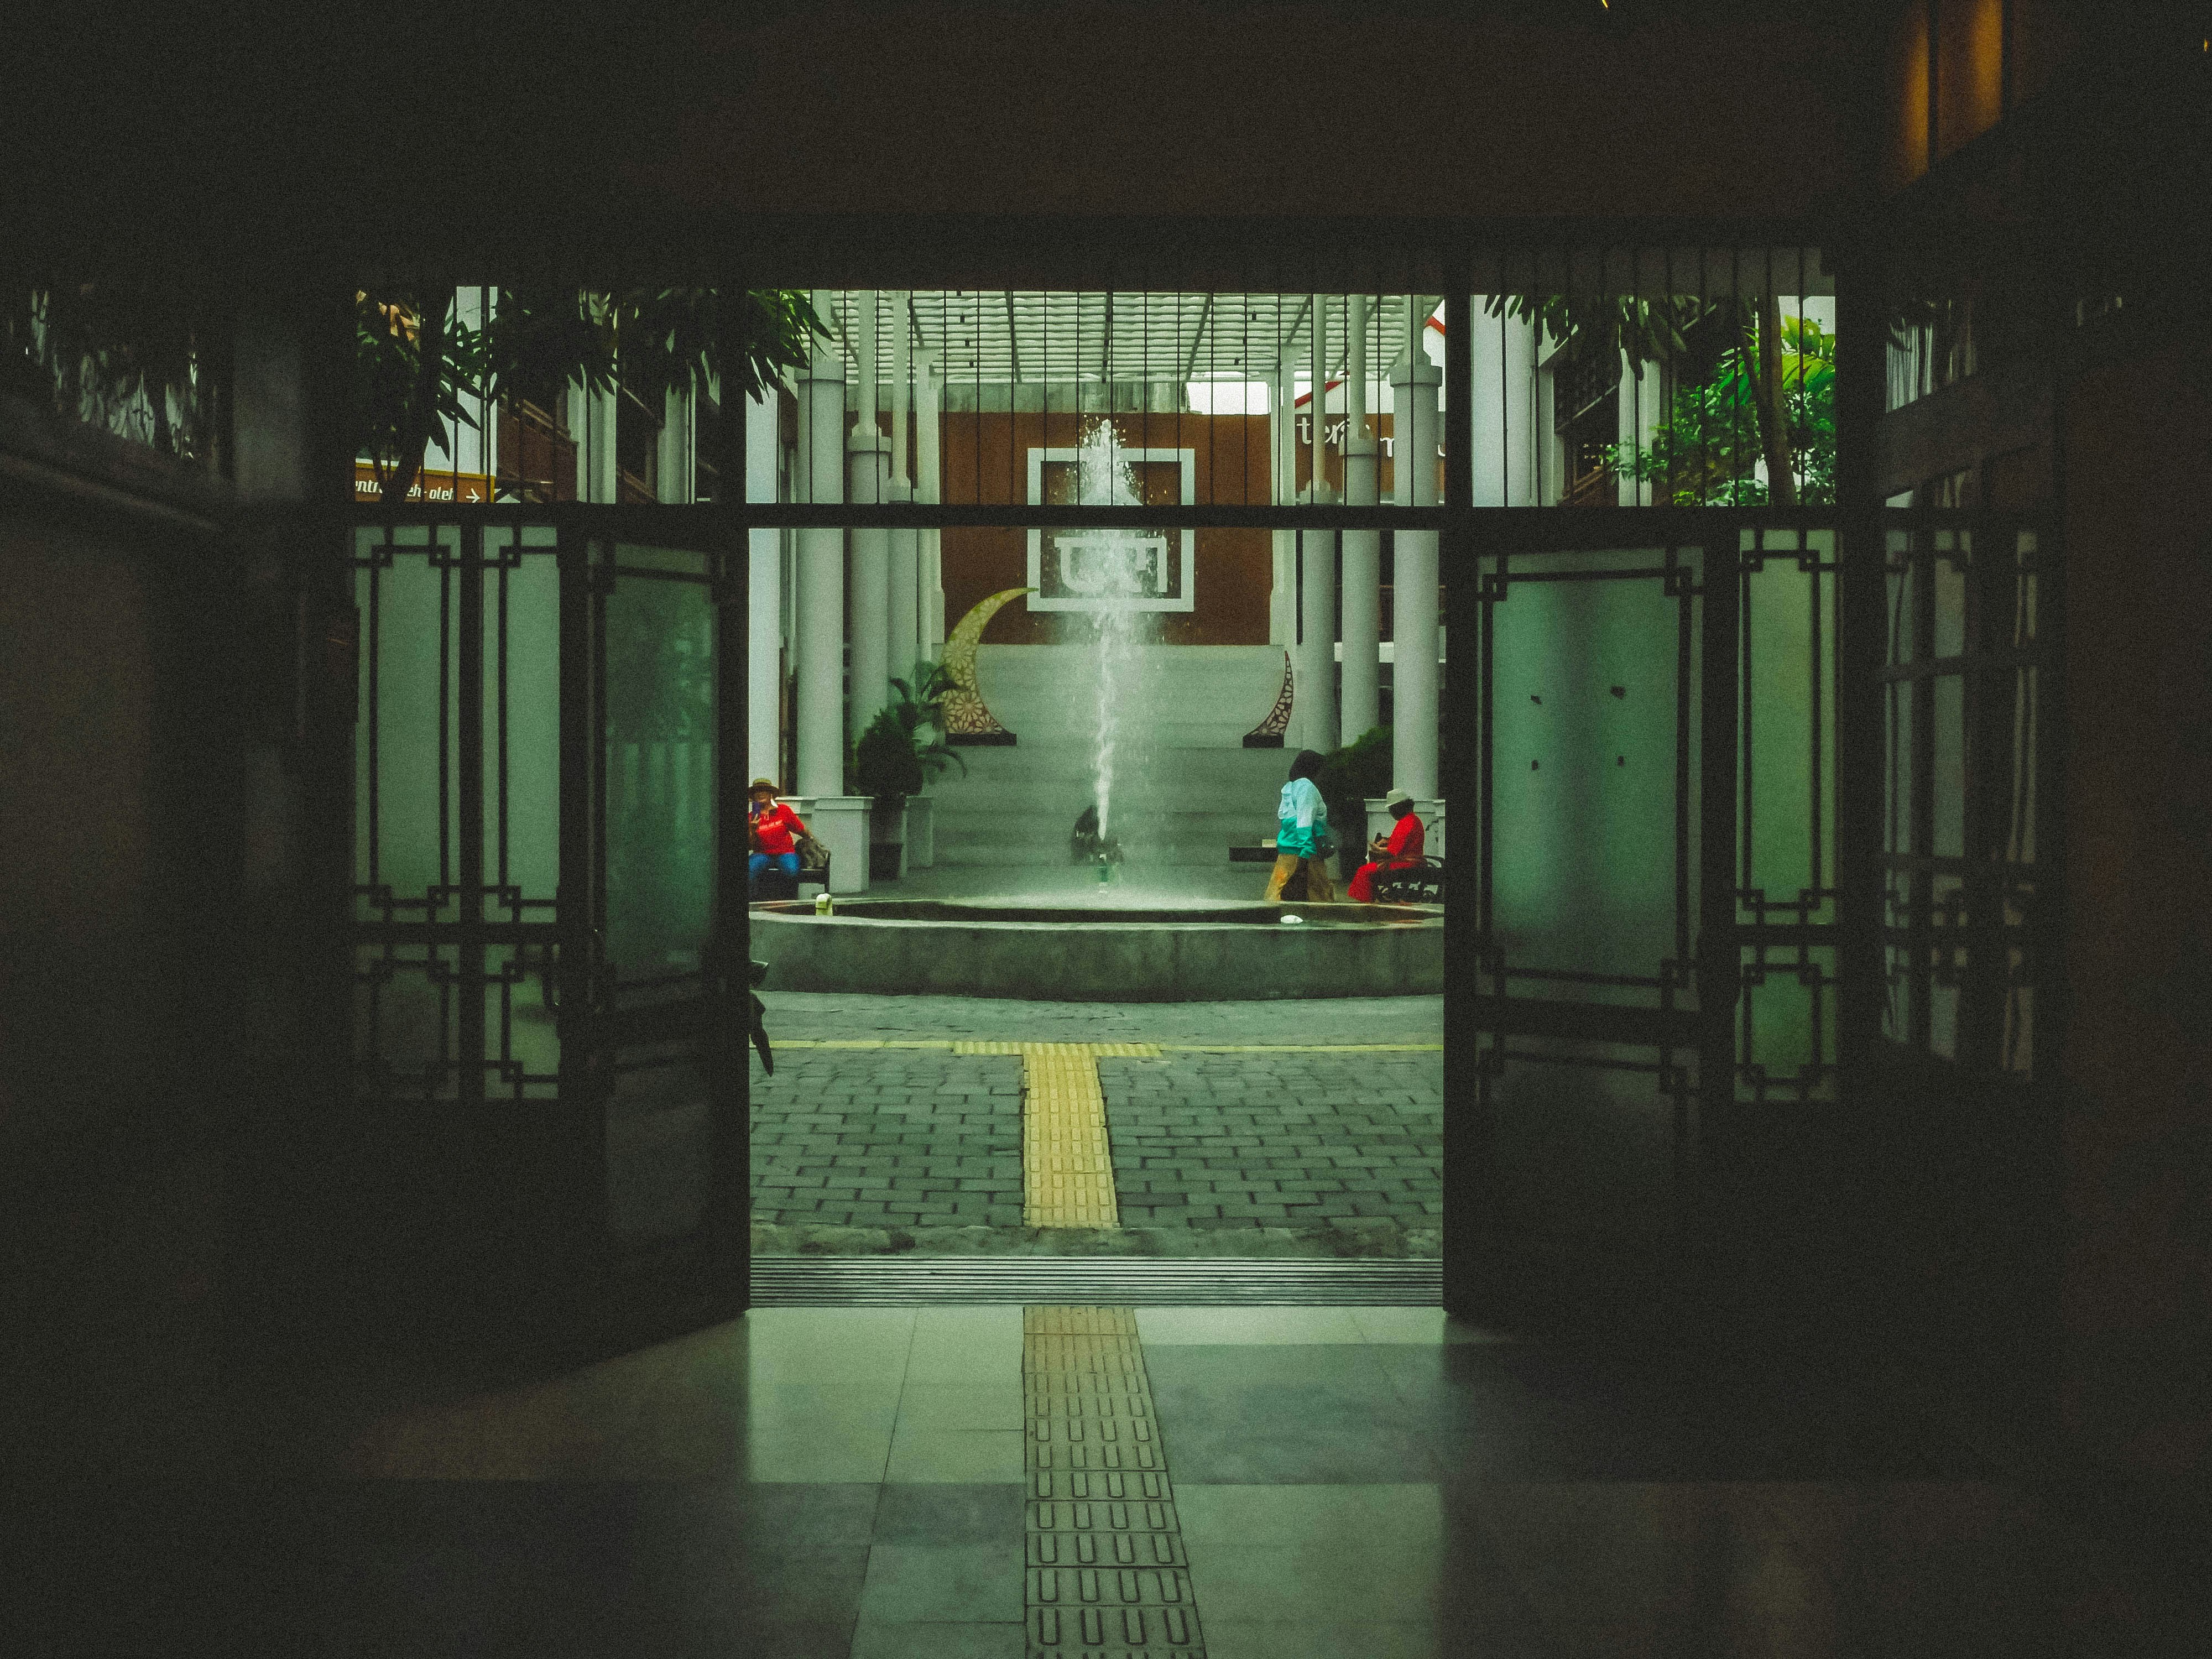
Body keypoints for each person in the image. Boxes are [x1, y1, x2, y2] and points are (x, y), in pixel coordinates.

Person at [1265, 748, 1337, 902]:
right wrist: (1307, 851)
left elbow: (1287, 819)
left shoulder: (1290, 787)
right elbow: (1305, 820)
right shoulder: (1307, 787)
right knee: (1318, 897)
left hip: (1287, 850)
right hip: (1305, 851)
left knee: (1278, 894)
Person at [1348, 787, 1426, 902]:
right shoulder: (1413, 820)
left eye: (1391, 809)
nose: (1391, 812)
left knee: (1364, 871)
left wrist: (1378, 849)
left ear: (1399, 808)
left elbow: (1392, 852)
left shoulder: (1405, 823)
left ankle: (1365, 903)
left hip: (1406, 863)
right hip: (1412, 861)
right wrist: (1385, 842)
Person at [747, 779, 808, 897]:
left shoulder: (783, 810)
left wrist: (811, 839)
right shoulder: (751, 817)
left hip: (785, 853)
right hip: (762, 854)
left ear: (771, 794)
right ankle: (754, 904)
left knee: (792, 871)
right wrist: (753, 830)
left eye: (764, 790)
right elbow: (750, 846)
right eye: (757, 791)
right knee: (749, 870)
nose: (760, 793)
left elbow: (800, 830)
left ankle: (789, 903)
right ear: (753, 797)